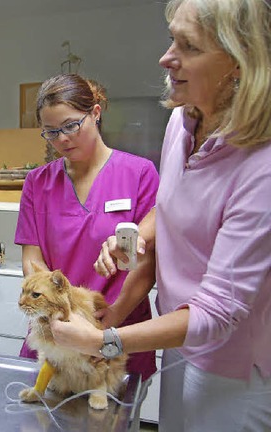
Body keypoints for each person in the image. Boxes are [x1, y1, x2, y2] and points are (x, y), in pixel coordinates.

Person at [54, 1, 271, 431]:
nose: (166, 56)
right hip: (180, 338)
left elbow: (218, 311)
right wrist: (137, 236)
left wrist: (104, 341)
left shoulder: (261, 164)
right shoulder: (182, 122)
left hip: (234, 364)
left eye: (188, 45)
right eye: (172, 37)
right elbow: (169, 206)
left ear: (240, 62)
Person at [15, 73, 159, 383]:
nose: (62, 140)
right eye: (51, 132)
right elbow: (32, 260)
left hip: (117, 325)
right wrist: (57, 315)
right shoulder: (37, 183)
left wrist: (109, 322)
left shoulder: (139, 174)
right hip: (56, 329)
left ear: (95, 113)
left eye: (70, 126)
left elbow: (146, 263)